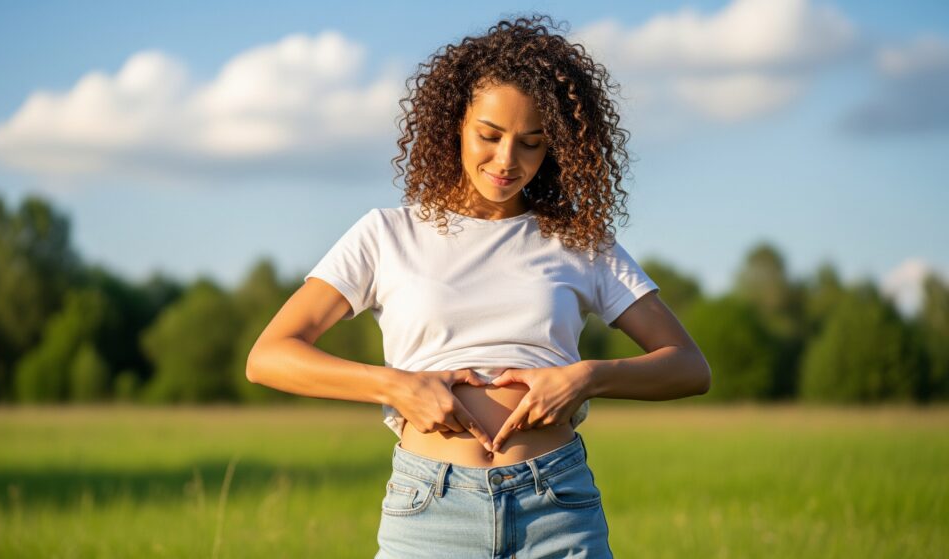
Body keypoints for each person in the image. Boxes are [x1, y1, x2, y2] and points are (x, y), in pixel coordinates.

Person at [246, 13, 711, 558]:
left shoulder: (581, 242)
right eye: (489, 136)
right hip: (430, 509)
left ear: (556, 147)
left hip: (557, 507)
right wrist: (395, 385)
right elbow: (269, 356)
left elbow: (688, 366)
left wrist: (585, 378)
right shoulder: (386, 233)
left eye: (531, 143)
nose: (507, 161)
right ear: (454, 125)